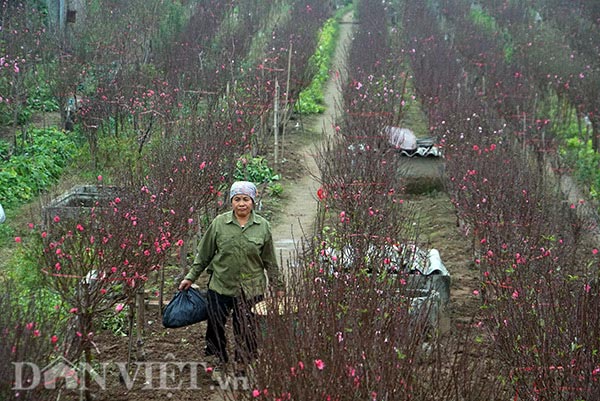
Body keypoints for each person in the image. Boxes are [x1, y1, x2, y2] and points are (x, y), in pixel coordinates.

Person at [179, 181, 283, 377]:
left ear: (253, 201)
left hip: (252, 288)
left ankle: (244, 363)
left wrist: (278, 286)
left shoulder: (263, 227)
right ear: (231, 202)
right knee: (215, 325)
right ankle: (218, 360)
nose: (241, 204)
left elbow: (270, 260)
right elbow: (204, 254)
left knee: (246, 327)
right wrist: (190, 277)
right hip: (221, 285)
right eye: (237, 199)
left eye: (246, 199)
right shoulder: (219, 223)